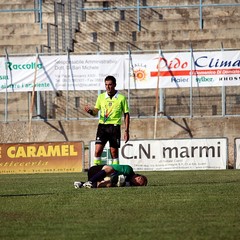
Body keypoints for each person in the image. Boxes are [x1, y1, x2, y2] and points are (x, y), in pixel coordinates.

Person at [84, 75, 130, 165]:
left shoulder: (121, 98)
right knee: (97, 151)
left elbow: (126, 114)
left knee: (113, 153)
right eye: (106, 85)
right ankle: (96, 173)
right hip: (102, 127)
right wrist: (90, 111)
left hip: (115, 127)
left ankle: (114, 174)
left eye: (110, 84)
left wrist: (126, 131)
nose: (108, 87)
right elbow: (95, 112)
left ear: (114, 85)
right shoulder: (101, 97)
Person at [73, 164, 148, 188]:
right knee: (111, 169)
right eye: (139, 178)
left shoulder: (128, 183)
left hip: (99, 177)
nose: (138, 181)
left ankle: (81, 184)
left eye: (139, 183)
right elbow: (114, 176)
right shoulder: (129, 170)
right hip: (96, 170)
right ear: (137, 175)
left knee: (110, 184)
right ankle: (90, 182)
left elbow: (113, 180)